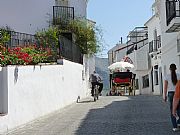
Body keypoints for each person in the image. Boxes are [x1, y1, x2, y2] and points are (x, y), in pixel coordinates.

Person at [163, 63, 180, 131]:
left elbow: (165, 87)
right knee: (179, 108)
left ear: (169, 69)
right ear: (176, 69)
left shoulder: (167, 76)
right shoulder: (179, 76)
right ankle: (179, 122)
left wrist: (165, 96)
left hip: (171, 94)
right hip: (178, 93)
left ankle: (175, 126)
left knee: (172, 109)